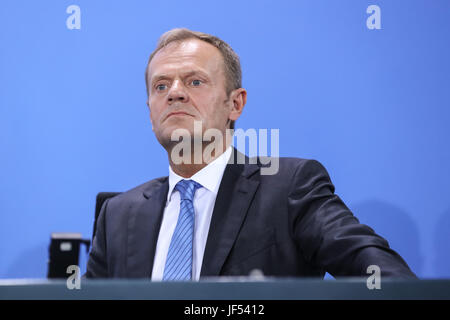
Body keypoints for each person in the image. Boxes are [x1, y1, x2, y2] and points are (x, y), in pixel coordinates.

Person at [85, 28, 416, 280]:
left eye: (194, 82)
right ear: (149, 110)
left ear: (235, 104)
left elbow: (386, 279)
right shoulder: (118, 214)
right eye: (160, 86)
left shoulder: (289, 188)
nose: (174, 93)